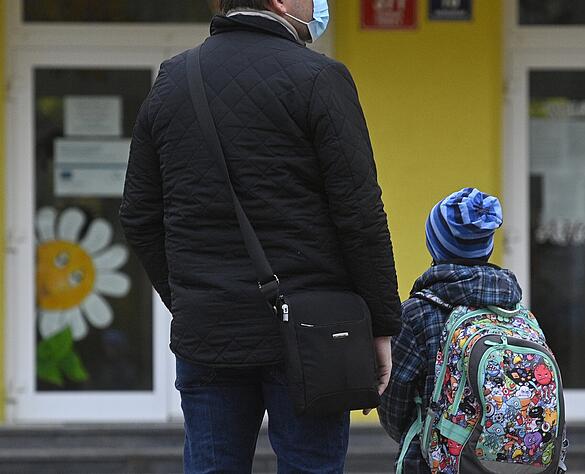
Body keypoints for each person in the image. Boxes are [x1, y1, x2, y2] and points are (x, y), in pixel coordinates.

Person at [119, 0, 401, 472]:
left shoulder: (173, 81)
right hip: (316, 332)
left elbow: (139, 214)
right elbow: (360, 215)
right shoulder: (319, 79)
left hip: (209, 328)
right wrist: (381, 323)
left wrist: (190, 296)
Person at [378, 187, 521, 473]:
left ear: (434, 246)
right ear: (488, 247)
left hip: (432, 462)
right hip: (505, 462)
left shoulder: (417, 313)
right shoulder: (515, 311)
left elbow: (393, 400)